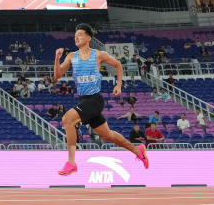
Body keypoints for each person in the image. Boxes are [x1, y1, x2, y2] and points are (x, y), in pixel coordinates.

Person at [53, 23, 149, 176]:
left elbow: (118, 65)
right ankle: (138, 151)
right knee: (107, 135)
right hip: (84, 100)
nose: (76, 37)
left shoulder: (98, 55)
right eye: (75, 35)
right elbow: (57, 75)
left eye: (80, 34)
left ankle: (71, 163)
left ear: (88, 38)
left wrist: (119, 85)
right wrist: (57, 58)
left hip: (95, 100)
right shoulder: (71, 56)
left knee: (67, 119)